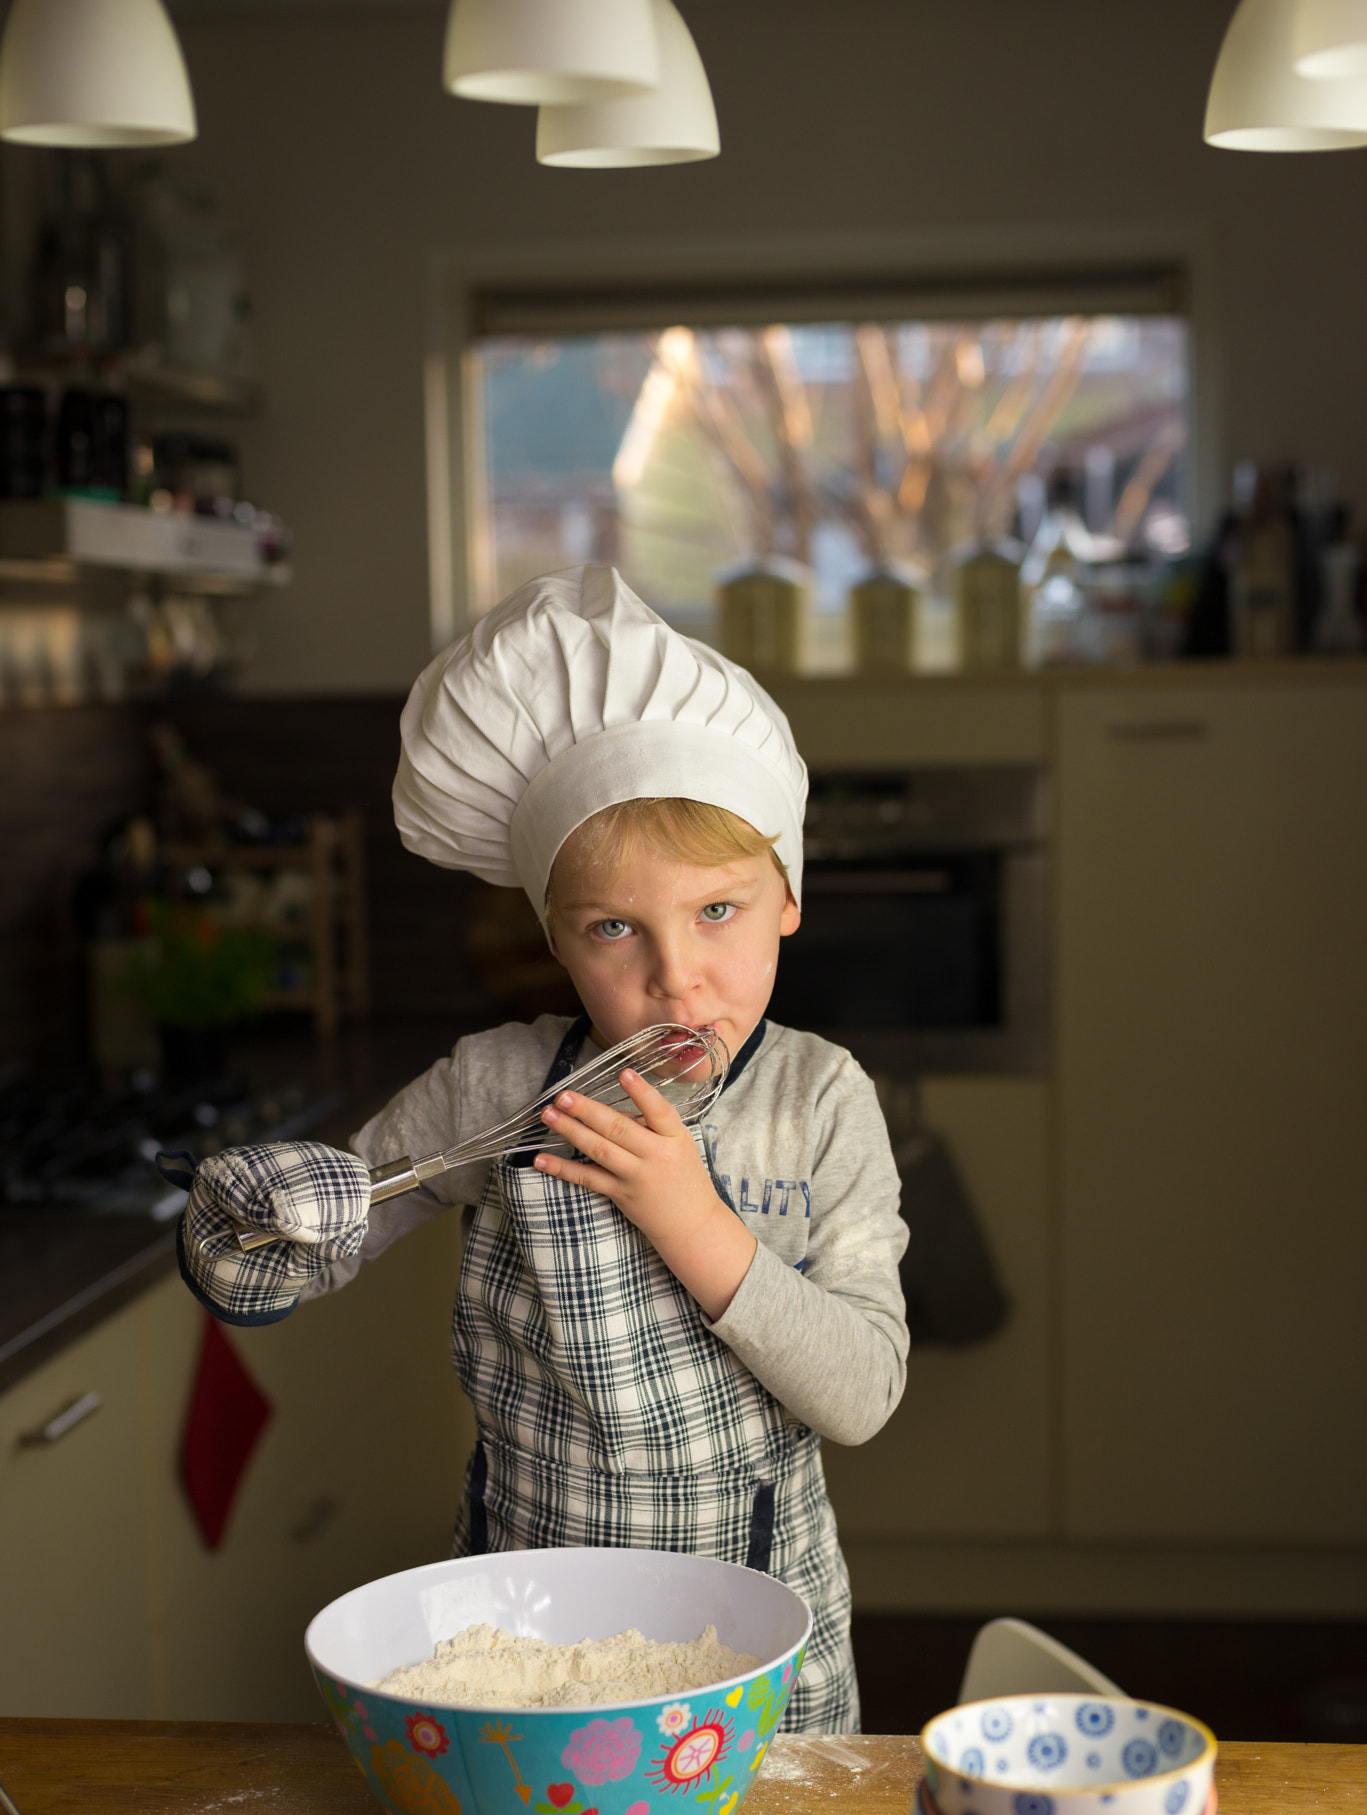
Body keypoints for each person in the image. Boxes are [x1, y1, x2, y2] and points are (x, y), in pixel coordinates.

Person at [172, 566, 909, 1733]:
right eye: (615, 928)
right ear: (555, 941)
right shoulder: (499, 1085)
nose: (673, 975)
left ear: (786, 899)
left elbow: (862, 1391)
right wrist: (256, 1224)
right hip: (529, 1631)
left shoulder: (817, 1101)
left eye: (716, 910)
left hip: (758, 1632)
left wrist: (692, 1216)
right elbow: (329, 1231)